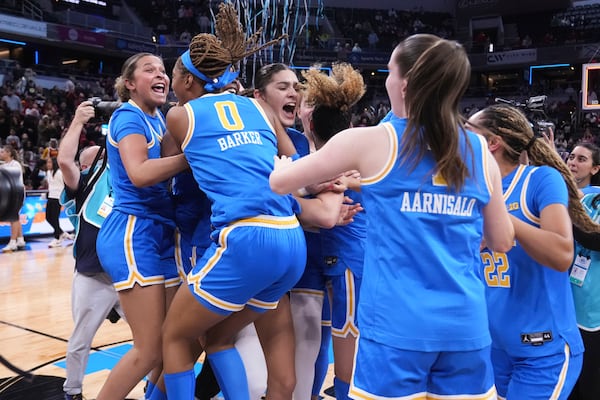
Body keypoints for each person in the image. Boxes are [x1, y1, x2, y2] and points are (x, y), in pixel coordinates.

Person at [270, 33, 515, 399]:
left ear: (404, 83)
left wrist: (283, 164)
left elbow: (279, 182)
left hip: (396, 329)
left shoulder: (371, 141)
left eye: (388, 72)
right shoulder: (478, 148)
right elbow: (501, 240)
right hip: (466, 328)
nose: (385, 80)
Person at [161, 4, 348, 399]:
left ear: (187, 80)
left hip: (242, 239)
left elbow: (164, 173)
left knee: (176, 337)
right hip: (291, 243)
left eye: (173, 73)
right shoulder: (258, 109)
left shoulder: (180, 115)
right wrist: (328, 184)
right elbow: (294, 163)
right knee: (219, 338)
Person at [467, 103, 600, 399]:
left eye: (468, 133)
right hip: (493, 345)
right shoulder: (471, 189)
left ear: (492, 143)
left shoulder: (538, 180)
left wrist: (504, 220)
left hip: (542, 349)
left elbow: (562, 253)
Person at [95, 52, 189, 400]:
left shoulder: (161, 119)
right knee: (149, 349)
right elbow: (139, 173)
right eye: (149, 70)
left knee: (176, 342)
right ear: (130, 84)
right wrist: (192, 156)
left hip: (161, 232)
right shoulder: (128, 116)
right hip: (134, 231)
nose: (160, 74)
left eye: (164, 70)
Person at [287, 63, 367, 400]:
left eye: (309, 104)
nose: (305, 109)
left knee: (345, 334)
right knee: (308, 340)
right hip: (306, 251)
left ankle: (346, 393)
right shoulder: (290, 142)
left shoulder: (355, 148)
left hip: (346, 250)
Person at [57, 101, 124, 400]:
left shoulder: (127, 175)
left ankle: (155, 385)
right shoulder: (81, 187)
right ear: (86, 166)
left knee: (152, 338)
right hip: (93, 274)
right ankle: (72, 391)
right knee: (81, 340)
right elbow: (64, 160)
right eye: (93, 156)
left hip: (128, 271)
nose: (101, 153)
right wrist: (78, 121)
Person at [569, 192, 600, 400]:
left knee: (591, 385)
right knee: (571, 381)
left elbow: (594, 240)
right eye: (572, 156)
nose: (573, 162)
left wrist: (565, 214)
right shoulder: (587, 199)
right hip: (571, 303)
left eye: (582, 158)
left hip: (595, 315)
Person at [1, 144, 26, 252]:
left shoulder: (15, 164)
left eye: (2, 152)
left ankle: (12, 243)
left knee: (13, 217)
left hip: (16, 192)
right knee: (15, 216)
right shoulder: (3, 165)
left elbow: (12, 179)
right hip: (9, 193)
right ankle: (20, 240)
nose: (0, 153)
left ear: (9, 153)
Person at [45, 156, 70, 248]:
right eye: (47, 162)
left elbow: (65, 184)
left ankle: (57, 238)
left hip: (58, 197)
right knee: (48, 217)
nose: (47, 164)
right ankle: (62, 233)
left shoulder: (60, 173)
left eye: (49, 162)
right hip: (51, 196)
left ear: (54, 163)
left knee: (54, 218)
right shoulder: (48, 172)